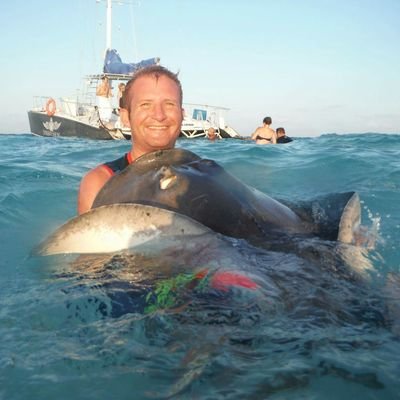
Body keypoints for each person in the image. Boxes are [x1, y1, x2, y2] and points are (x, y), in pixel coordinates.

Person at [78, 65, 184, 215]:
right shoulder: (100, 182)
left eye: (169, 104)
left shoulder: (204, 178)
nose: (159, 115)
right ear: (125, 117)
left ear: (182, 114)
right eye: (146, 105)